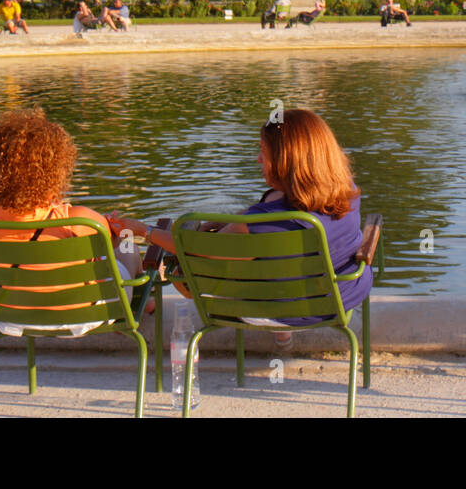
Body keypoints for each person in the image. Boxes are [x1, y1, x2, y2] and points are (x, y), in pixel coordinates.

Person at [111, 108, 373, 341]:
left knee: (184, 255)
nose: (258, 159)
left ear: (285, 160)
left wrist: (143, 231)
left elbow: (193, 248)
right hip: (341, 297)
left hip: (277, 309)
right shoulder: (347, 190)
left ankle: (281, 326)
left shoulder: (257, 225)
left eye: (263, 151)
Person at [0, 108, 141, 336]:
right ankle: (138, 307)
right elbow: (114, 244)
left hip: (7, 317)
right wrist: (121, 228)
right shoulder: (78, 219)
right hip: (82, 316)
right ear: (56, 169)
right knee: (128, 246)